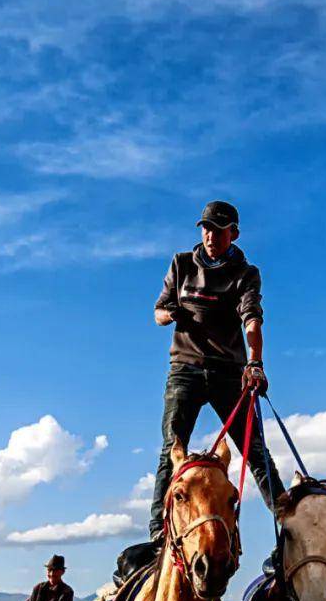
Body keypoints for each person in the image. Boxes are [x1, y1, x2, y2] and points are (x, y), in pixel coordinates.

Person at [115, 200, 284, 581]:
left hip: (229, 372)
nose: (210, 236)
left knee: (254, 449)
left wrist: (255, 362)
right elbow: (158, 311)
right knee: (171, 447)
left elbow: (252, 319)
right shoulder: (181, 264)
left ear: (234, 233)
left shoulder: (245, 273)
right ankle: (160, 535)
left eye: (219, 229)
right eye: (206, 228)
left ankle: (286, 522)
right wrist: (169, 314)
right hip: (185, 369)